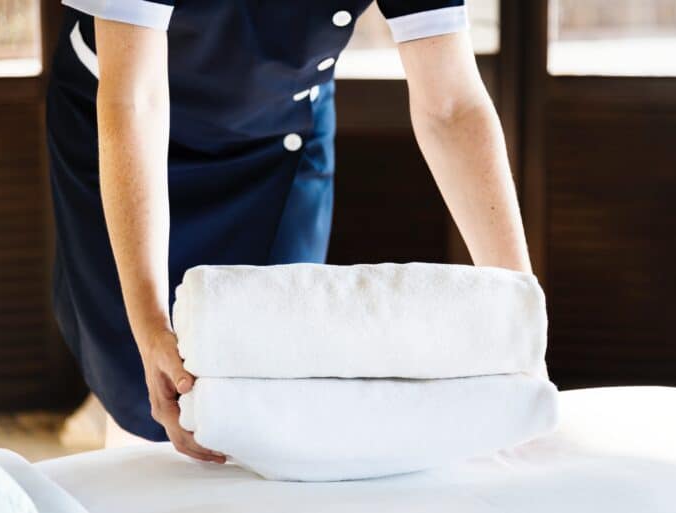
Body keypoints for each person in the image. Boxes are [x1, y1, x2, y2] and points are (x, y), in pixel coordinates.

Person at [45, 0, 532, 463]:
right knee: (141, 387)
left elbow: (450, 107)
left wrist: (521, 316)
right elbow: (135, 99)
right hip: (124, 112)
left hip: (280, 133)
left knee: (273, 369)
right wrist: (150, 322)